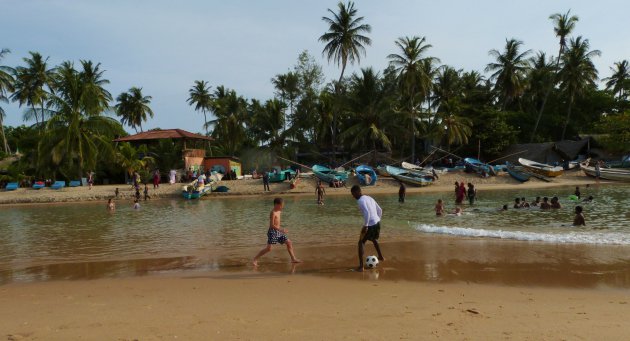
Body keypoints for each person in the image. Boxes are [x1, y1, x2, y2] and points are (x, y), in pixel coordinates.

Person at [252, 198, 301, 266]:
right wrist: (281, 229)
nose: (282, 207)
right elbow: (272, 225)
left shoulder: (279, 211)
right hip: (272, 232)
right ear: (276, 205)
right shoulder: (273, 212)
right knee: (269, 249)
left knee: (289, 242)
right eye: (281, 205)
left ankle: (293, 259)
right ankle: (255, 259)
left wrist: (281, 230)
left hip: (279, 231)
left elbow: (277, 223)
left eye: (282, 205)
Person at [351, 185, 384, 272]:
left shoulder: (360, 201)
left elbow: (367, 212)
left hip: (369, 224)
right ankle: (380, 256)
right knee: (373, 239)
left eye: (353, 194)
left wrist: (366, 225)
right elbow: (380, 210)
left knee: (361, 242)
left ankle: (361, 267)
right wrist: (377, 220)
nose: (353, 196)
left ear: (357, 192)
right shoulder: (369, 197)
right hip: (377, 222)